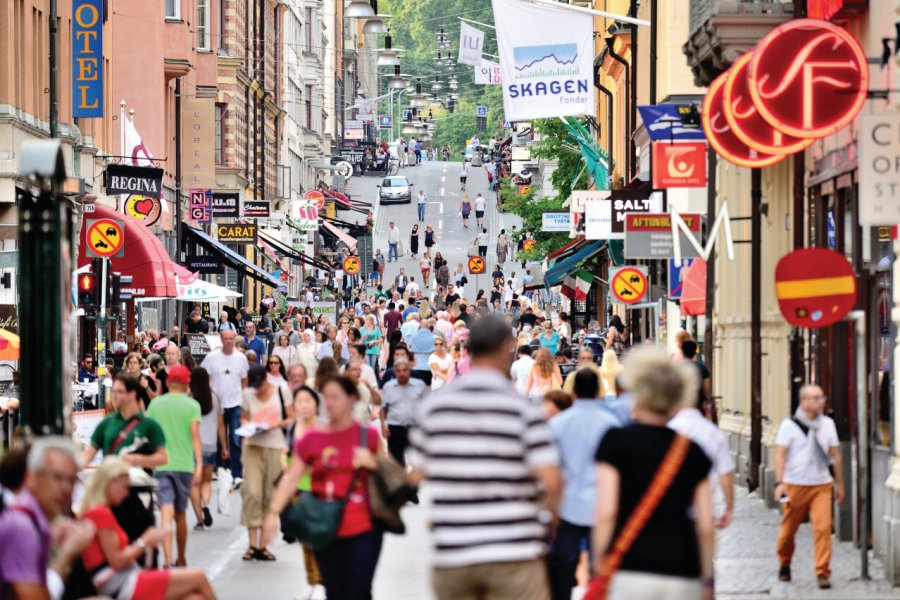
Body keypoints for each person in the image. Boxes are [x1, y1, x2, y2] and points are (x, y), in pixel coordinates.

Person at [408, 315, 561, 599]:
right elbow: (552, 481)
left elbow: (416, 476)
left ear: (470, 348)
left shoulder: (436, 409)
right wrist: (548, 522)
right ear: (507, 347)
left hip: (454, 555)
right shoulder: (524, 412)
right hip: (514, 554)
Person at [592, 348, 714, 600]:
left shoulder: (615, 442)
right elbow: (705, 525)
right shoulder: (691, 450)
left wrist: (598, 566)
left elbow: (606, 512)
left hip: (629, 570)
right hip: (682, 570)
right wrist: (707, 579)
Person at [262, 376, 384, 600]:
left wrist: (374, 463)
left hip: (364, 526)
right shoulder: (312, 438)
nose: (330, 403)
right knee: (335, 591)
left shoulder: (369, 436)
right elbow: (291, 478)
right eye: (327, 397)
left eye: (336, 397)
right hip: (326, 527)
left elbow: (389, 475)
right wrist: (272, 514)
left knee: (359, 590)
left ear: (352, 398)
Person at [78, 456, 216, 600]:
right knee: (198, 577)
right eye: (125, 487)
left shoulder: (95, 511)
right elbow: (117, 561)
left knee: (194, 598)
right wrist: (145, 541)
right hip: (119, 582)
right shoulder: (99, 513)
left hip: (119, 580)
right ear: (111, 482)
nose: (126, 493)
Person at [547, 369, 621, 600]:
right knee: (600, 567)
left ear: (574, 390)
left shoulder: (558, 423)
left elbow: (551, 467)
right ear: (598, 389)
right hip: (602, 505)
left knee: (563, 566)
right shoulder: (612, 423)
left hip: (567, 505)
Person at [0, 438, 95, 599]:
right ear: (31, 478)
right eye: (57, 477)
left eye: (71, 480)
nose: (66, 488)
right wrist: (67, 553)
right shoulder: (22, 526)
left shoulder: (31, 521)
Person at [773, 384, 843, 589]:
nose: (821, 402)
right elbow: (780, 455)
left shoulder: (828, 424)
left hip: (821, 485)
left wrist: (840, 484)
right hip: (795, 485)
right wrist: (780, 483)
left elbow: (836, 456)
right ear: (803, 402)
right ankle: (784, 562)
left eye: (822, 397)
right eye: (815, 398)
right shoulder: (788, 426)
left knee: (822, 529)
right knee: (787, 532)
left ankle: (822, 571)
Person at [145, 364, 202, 568]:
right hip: (185, 465)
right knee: (180, 514)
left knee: (166, 513)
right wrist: (200, 464)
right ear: (186, 384)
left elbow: (147, 434)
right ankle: (181, 558)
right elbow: (195, 437)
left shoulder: (155, 405)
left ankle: (167, 559)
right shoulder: (192, 406)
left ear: (168, 382)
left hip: (161, 465)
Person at [241, 365, 293, 561]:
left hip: (274, 445)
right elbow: (243, 418)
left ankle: (262, 546)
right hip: (253, 445)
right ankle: (251, 544)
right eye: (254, 386)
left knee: (269, 496)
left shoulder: (282, 391)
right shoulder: (248, 393)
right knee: (253, 492)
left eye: (259, 385)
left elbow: (292, 417)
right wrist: (248, 426)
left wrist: (275, 424)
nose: (257, 389)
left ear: (266, 379)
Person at [285, 386, 325, 599]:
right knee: (305, 539)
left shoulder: (322, 429)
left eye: (308, 400)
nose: (304, 405)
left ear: (316, 404)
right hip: (297, 489)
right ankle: (311, 580)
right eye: (299, 401)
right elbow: (286, 453)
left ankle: (320, 581)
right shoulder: (293, 428)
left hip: (318, 490)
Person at [201, 329, 250, 486]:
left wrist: (245, 402)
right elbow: (204, 377)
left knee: (235, 439)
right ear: (221, 340)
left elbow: (244, 381)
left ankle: (236, 473)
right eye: (226, 338)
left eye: (231, 338)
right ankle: (219, 469)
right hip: (217, 404)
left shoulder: (241, 359)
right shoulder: (212, 358)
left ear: (234, 340)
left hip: (236, 402)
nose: (228, 341)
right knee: (216, 438)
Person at [189, 367, 225, 532]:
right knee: (206, 481)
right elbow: (220, 425)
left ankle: (199, 519)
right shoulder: (215, 398)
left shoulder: (189, 399)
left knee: (193, 484)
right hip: (210, 445)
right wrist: (224, 446)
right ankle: (205, 503)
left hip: (192, 446)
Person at [380, 358, 428, 470]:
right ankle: (401, 485)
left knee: (418, 461)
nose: (402, 373)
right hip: (395, 428)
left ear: (409, 371)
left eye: (405, 370)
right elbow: (382, 408)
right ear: (395, 372)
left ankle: (414, 485)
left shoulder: (419, 385)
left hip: (415, 428)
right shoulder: (389, 387)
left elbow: (427, 406)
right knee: (397, 462)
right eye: (399, 371)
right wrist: (383, 425)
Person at [408, 319, 436, 387]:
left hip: (416, 366)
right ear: (428, 326)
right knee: (428, 388)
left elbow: (409, 348)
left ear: (419, 326)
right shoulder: (434, 338)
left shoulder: (413, 337)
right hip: (428, 367)